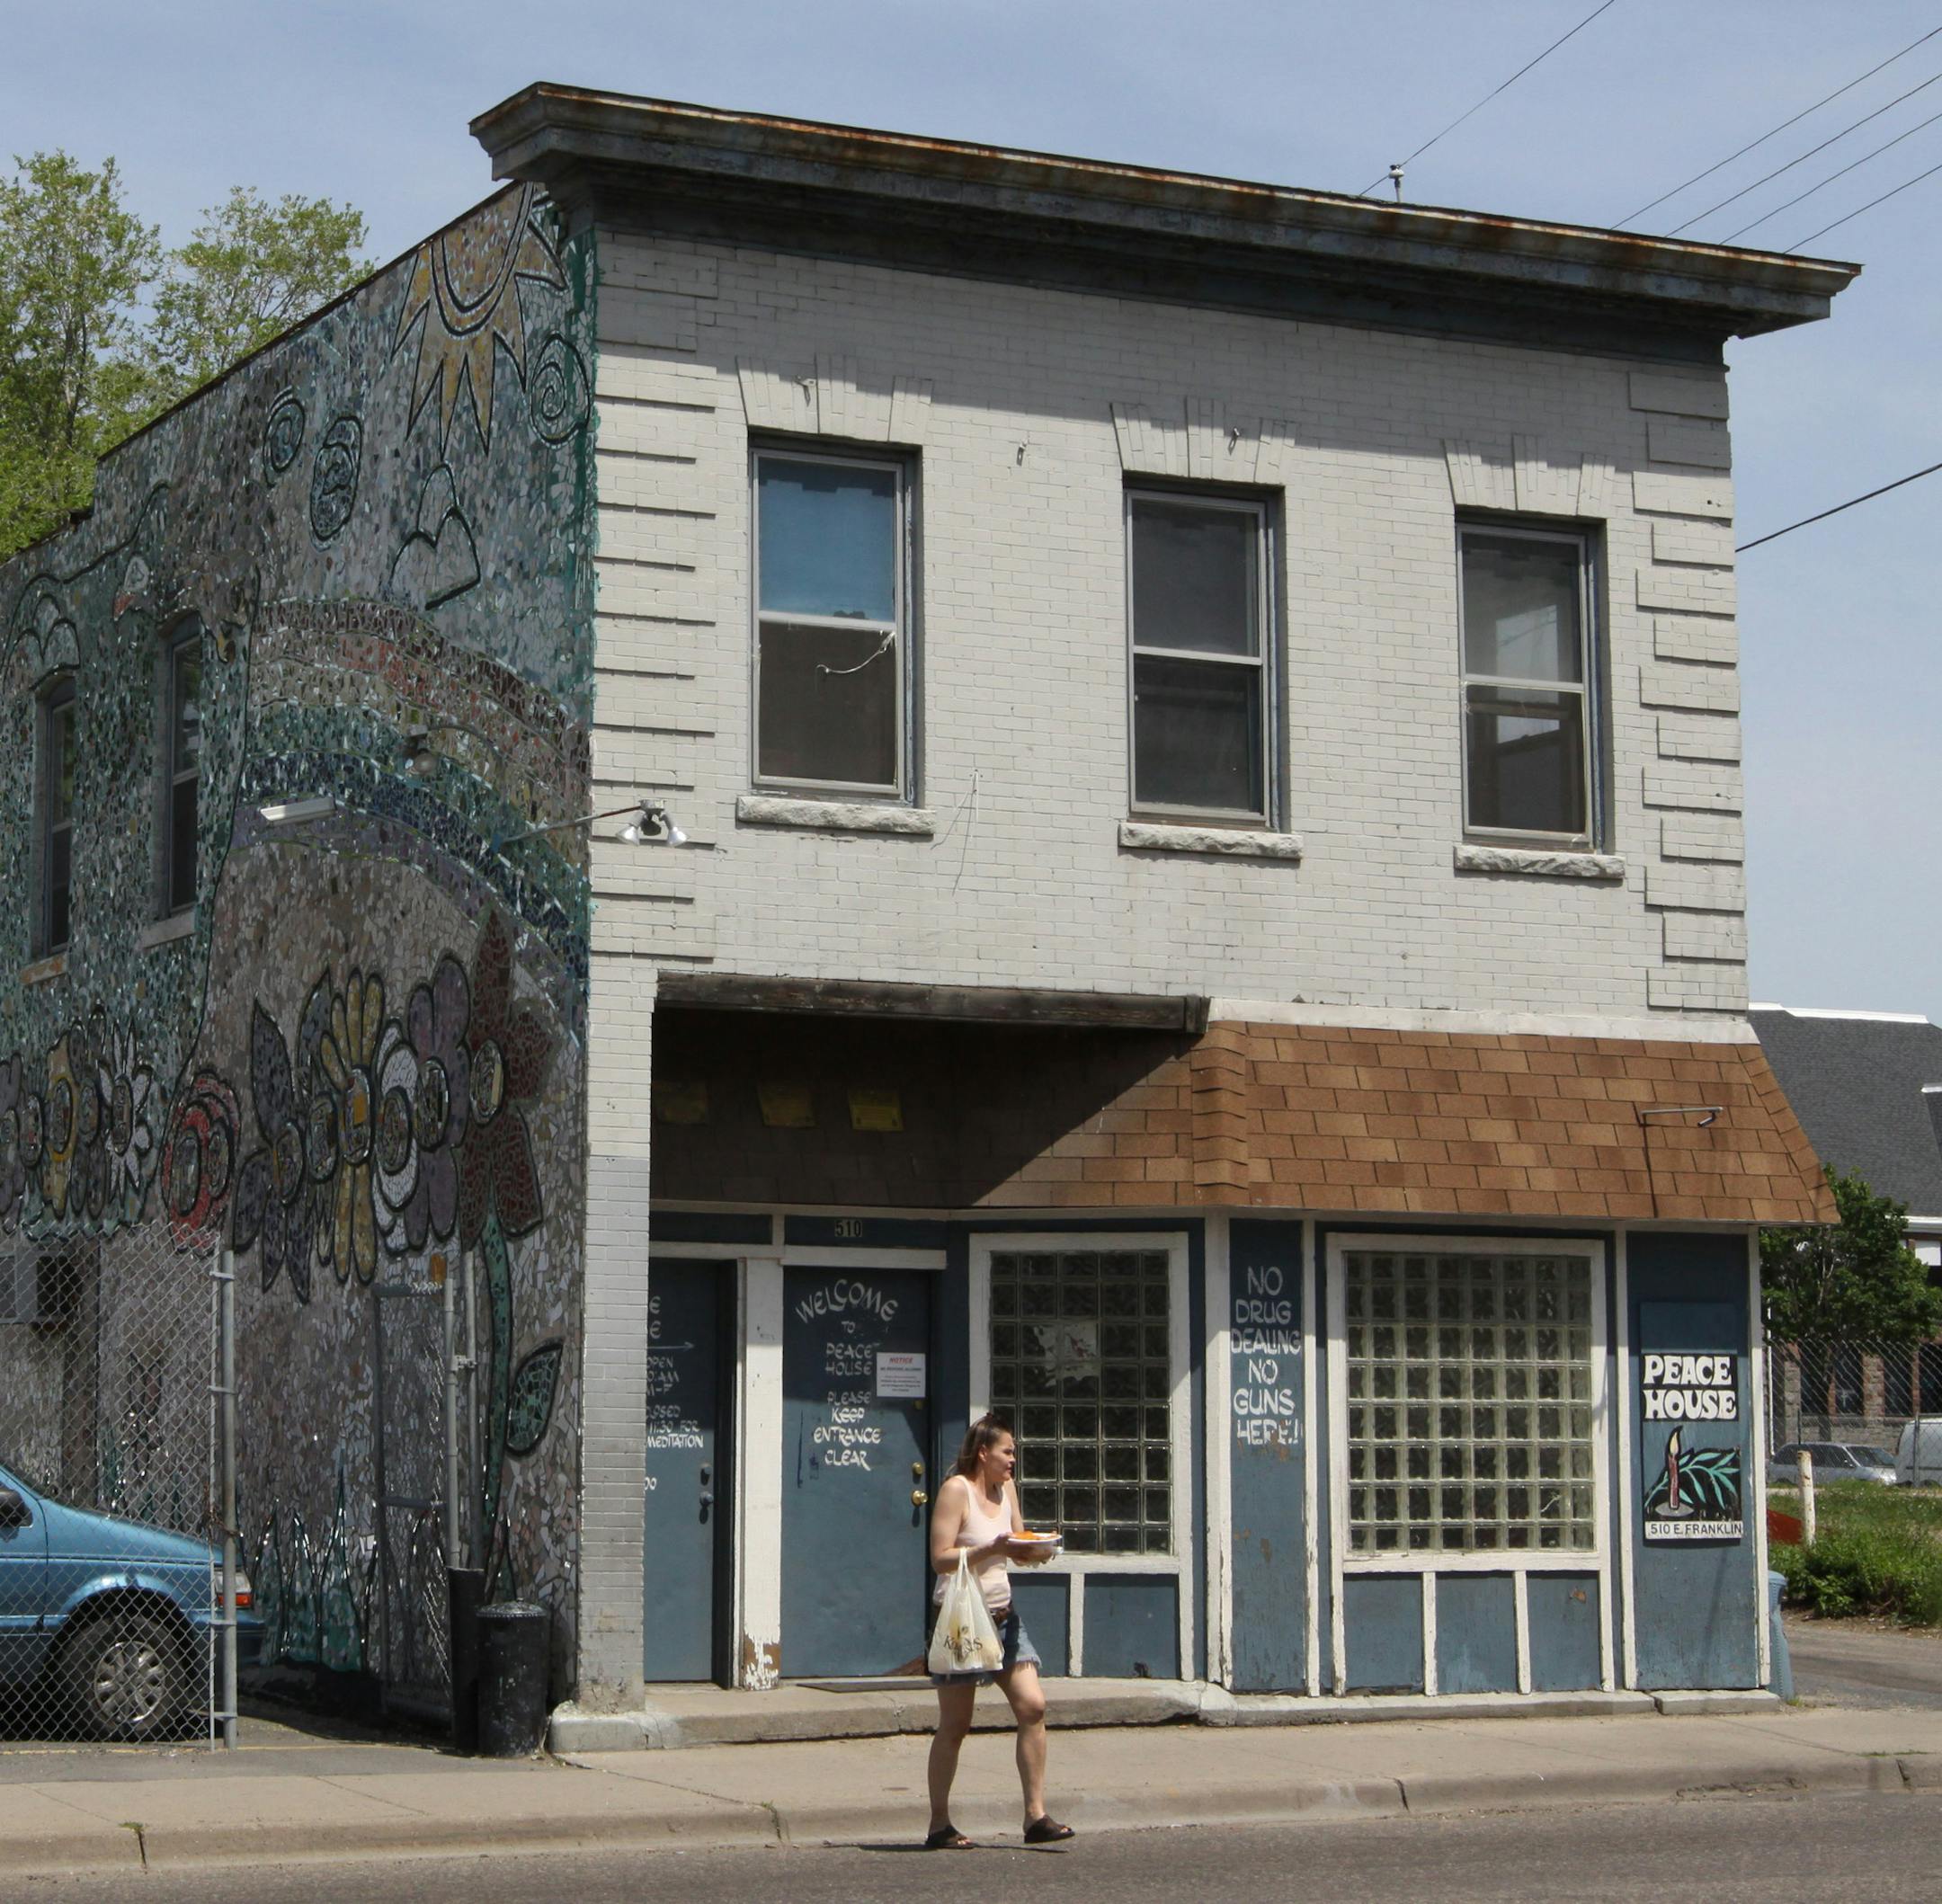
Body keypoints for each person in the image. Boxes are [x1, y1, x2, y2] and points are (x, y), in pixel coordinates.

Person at [924, 1413, 1074, 1850]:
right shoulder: (957, 1490)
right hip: (960, 1620)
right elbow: (941, 1558)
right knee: (956, 1725)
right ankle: (939, 1825)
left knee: (1033, 1707)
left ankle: (1035, 1817)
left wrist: (1033, 1552)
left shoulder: (1005, 1489)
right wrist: (991, 1548)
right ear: (984, 1452)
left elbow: (1014, 1541)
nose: (1013, 1460)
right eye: (1007, 1451)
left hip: (1003, 1614)